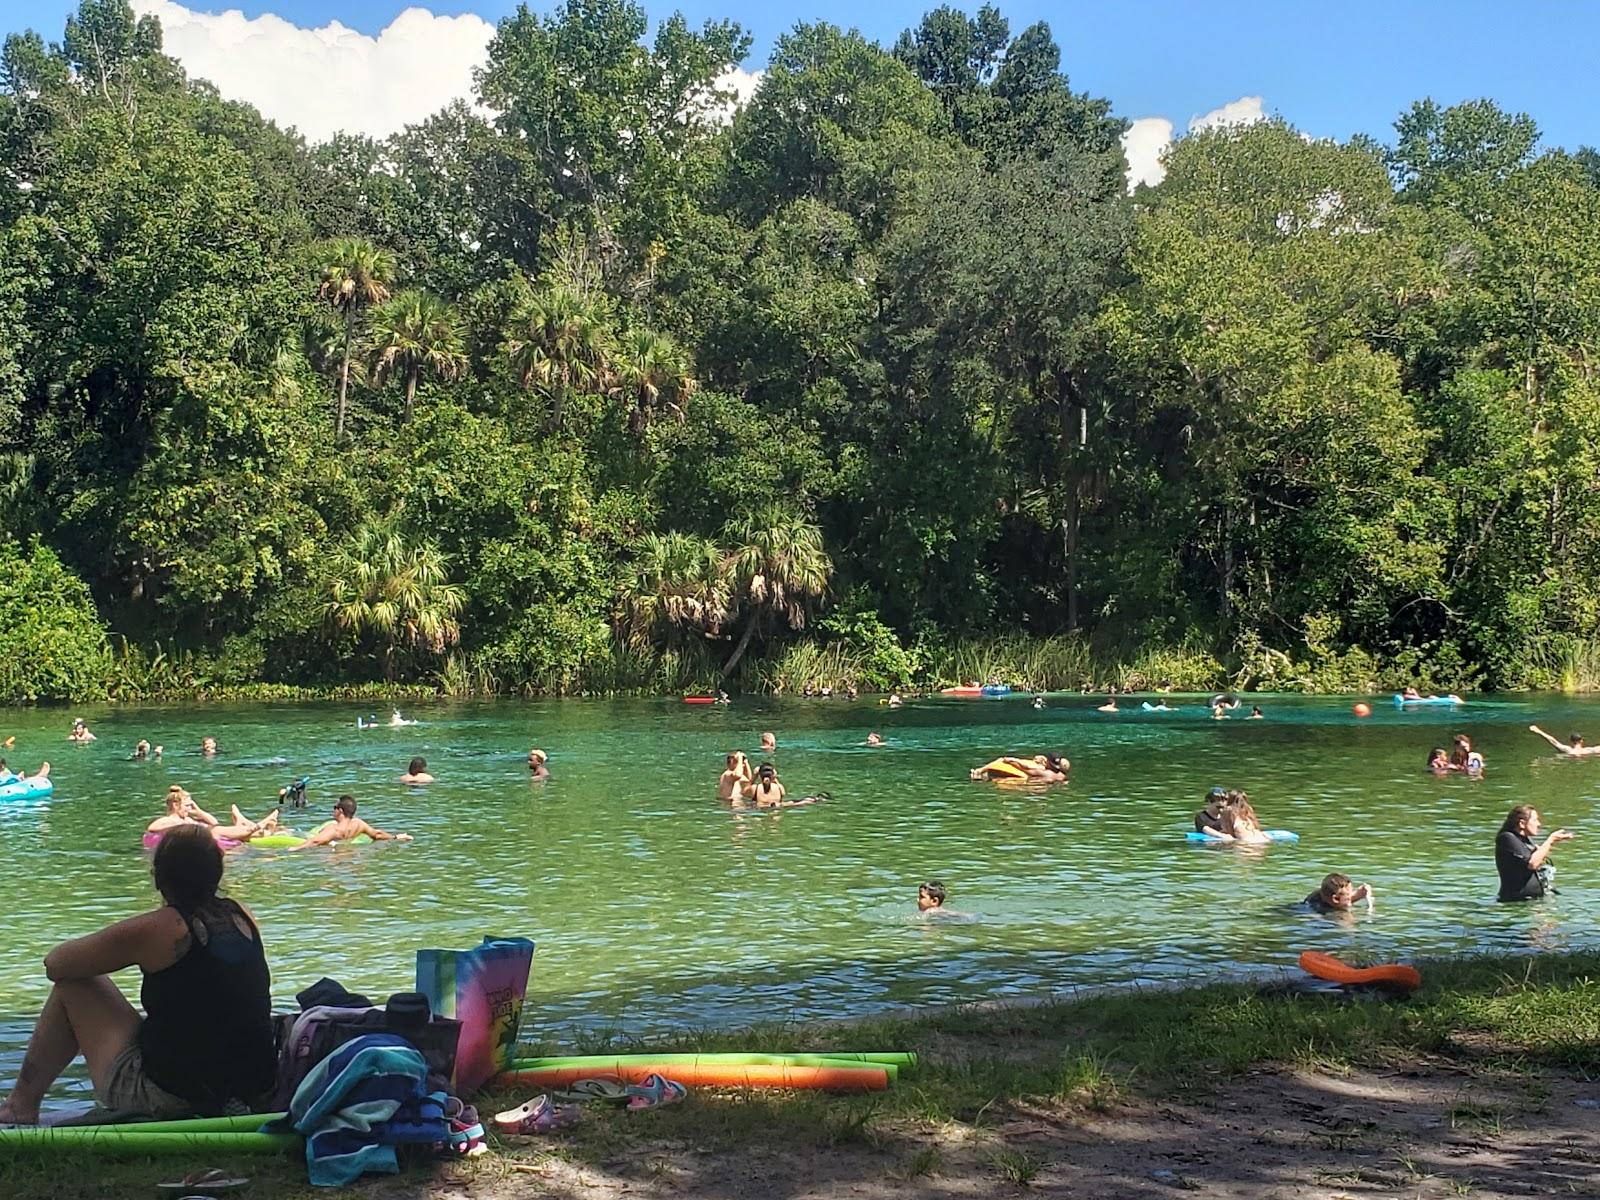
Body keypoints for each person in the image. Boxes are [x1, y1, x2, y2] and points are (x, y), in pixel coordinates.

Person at [0, 825, 274, 1124]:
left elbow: (56, 964)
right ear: (217, 873)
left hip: (177, 1096)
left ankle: (20, 1105)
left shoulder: (162, 927)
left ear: (159, 877)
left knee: (74, 985)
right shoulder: (242, 915)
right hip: (249, 1088)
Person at [147, 786, 275, 844]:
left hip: (212, 832)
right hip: (210, 835)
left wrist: (198, 811)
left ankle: (251, 826)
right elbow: (152, 827)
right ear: (176, 805)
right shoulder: (170, 820)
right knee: (219, 831)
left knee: (218, 829)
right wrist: (179, 825)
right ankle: (258, 827)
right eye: (187, 806)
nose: (189, 809)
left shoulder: (187, 818)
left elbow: (214, 822)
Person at [1495, 805, 1570, 902]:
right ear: (1522, 823)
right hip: (1516, 902)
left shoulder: (1526, 840)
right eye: (1535, 820)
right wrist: (1550, 840)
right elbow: (1532, 864)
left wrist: (1542, 851)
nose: (1539, 824)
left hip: (1533, 901)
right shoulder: (1507, 838)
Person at [290, 795, 411, 848]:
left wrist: (292, 850)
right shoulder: (359, 824)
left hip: (331, 858)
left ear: (340, 811)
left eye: (334, 808)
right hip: (349, 854)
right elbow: (377, 834)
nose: (333, 811)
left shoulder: (333, 829)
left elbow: (315, 841)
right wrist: (396, 837)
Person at [1304, 872, 1374, 914]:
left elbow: (1340, 901)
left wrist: (1359, 894)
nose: (1351, 896)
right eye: (1349, 896)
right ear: (1335, 899)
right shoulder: (1333, 915)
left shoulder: (1320, 896)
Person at [1529, 725, 1600, 758]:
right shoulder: (1589, 750)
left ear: (1571, 741)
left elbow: (1552, 740)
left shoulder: (1568, 750)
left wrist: (1538, 731)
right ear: (1581, 741)